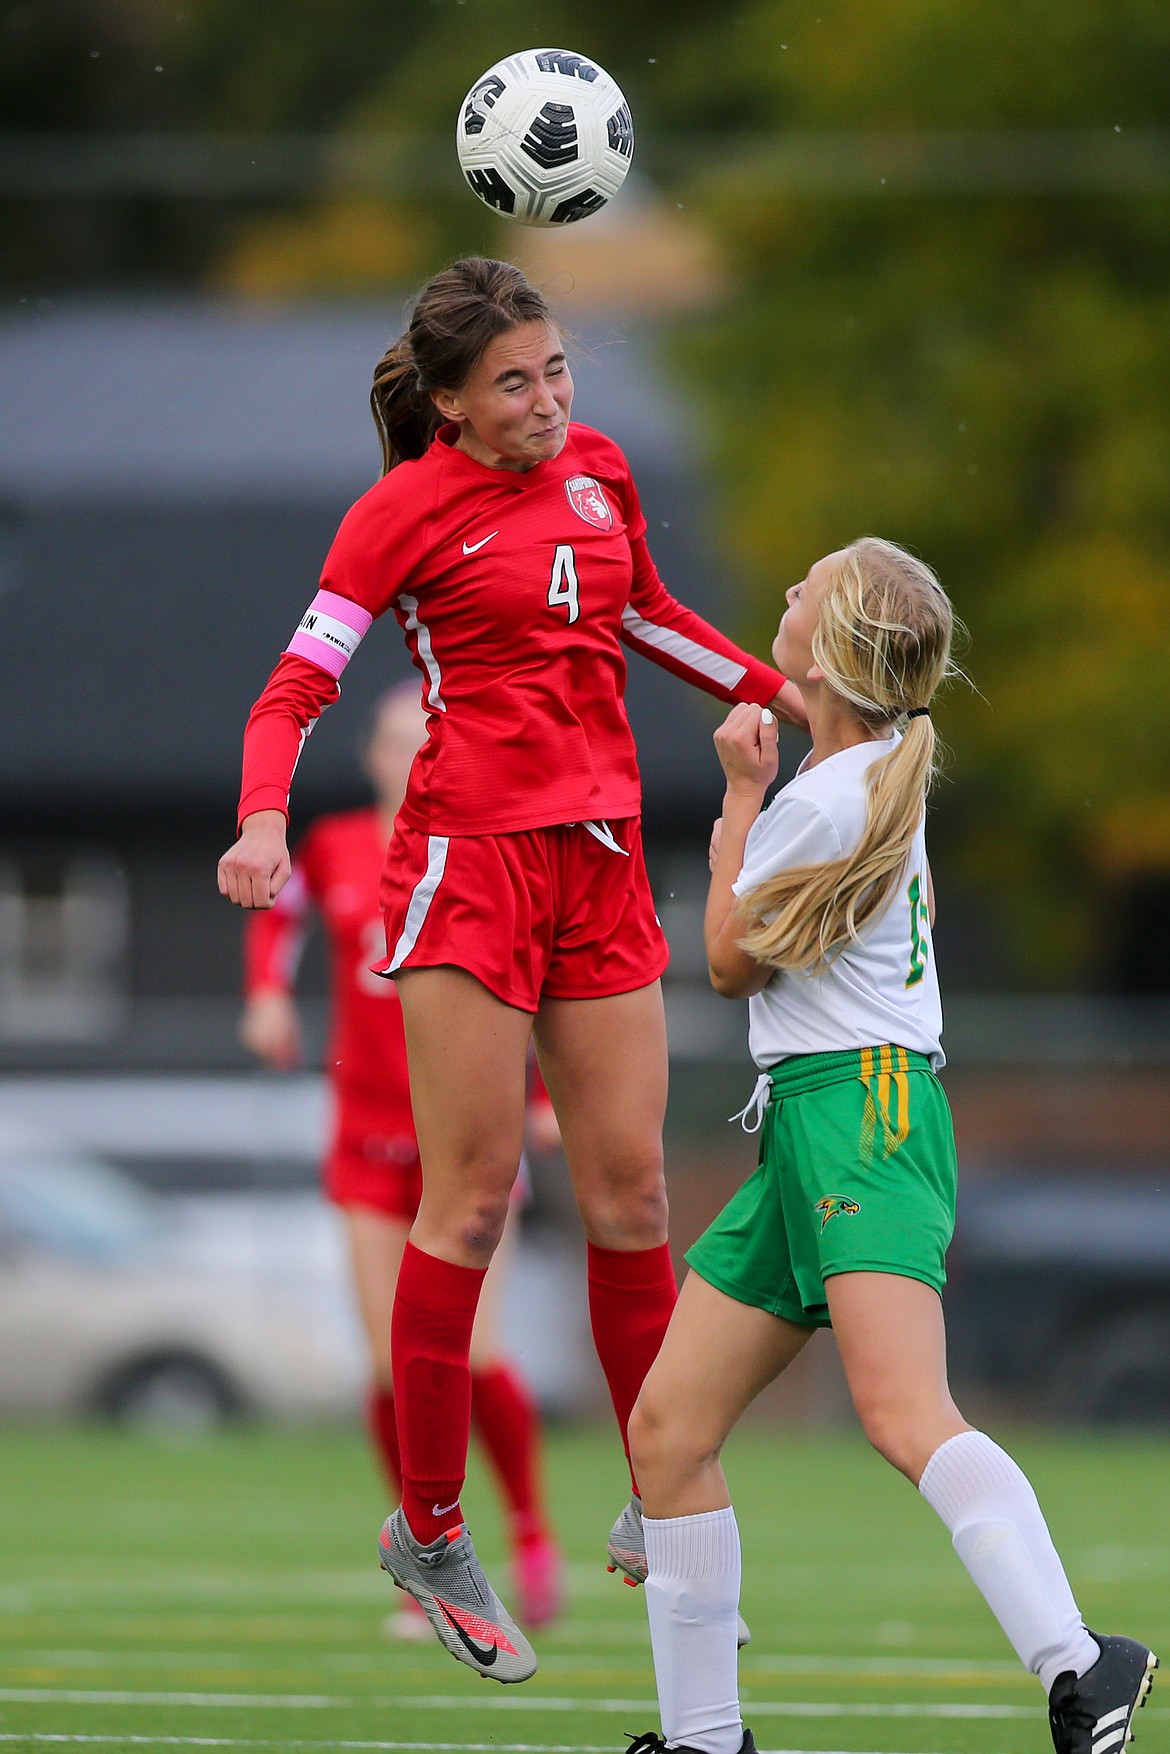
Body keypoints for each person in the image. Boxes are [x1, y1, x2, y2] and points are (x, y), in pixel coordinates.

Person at [217, 255, 805, 1684]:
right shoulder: (396, 512)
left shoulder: (600, 469)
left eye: (556, 372)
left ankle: (653, 1474)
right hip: (466, 868)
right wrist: (260, 815)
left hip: (598, 862)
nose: (547, 403)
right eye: (515, 385)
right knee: (472, 1202)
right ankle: (427, 1527)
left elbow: (650, 618)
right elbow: (295, 685)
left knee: (633, 1191)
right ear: (447, 404)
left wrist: (797, 702)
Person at [622, 538, 1157, 1754]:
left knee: (904, 1409)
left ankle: (1084, 1662)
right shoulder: (860, 775)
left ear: (838, 641)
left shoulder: (819, 793)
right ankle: (705, 1738)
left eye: (809, 588)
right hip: (815, 1122)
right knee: (668, 1430)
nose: (789, 595)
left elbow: (720, 962)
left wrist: (739, 799)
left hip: (864, 1116)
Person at [239, 683, 562, 1637]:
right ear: (374, 755)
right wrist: (266, 996)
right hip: (367, 1143)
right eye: (393, 742)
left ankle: (533, 1535)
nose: (408, 758)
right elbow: (276, 913)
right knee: (392, 1368)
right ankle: (433, 1557)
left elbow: (529, 978)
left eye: (425, 744)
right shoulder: (335, 847)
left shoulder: (486, 850)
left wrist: (539, 1096)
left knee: (477, 1355)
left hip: (466, 1143)